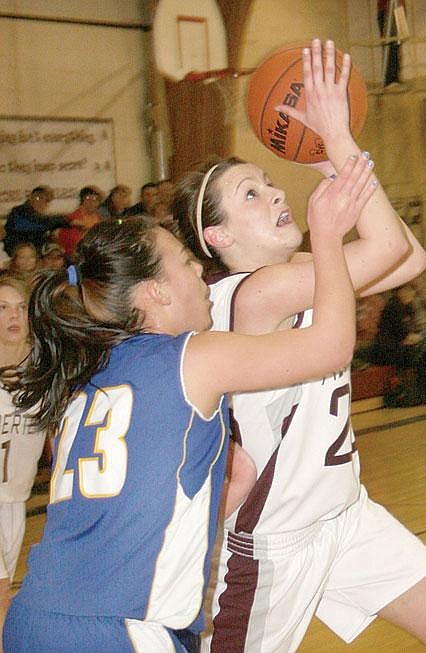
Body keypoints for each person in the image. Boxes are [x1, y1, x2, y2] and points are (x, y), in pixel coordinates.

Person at [3, 155, 377, 653]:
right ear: (156, 292)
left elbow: (219, 476)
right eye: (185, 262)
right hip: (119, 628)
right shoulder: (190, 358)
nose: (199, 268)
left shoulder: (88, 374)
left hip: (34, 618)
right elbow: (330, 346)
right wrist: (326, 237)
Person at [173, 38, 426, 653]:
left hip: (345, 518)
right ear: (217, 235)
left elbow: (411, 255)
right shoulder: (254, 295)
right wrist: (337, 140)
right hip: (272, 543)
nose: (277, 194)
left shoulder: (307, 272)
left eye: (269, 182)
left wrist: (330, 164)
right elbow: (388, 249)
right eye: (250, 194)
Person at [0, 277, 46, 650]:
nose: (12, 315)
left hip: (14, 499)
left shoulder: (42, 367)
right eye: (2, 307)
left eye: (19, 306)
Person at [369, 283, 426, 406]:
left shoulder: (408, 307)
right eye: (409, 291)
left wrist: (416, 338)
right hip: (390, 351)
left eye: (412, 291)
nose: (412, 294)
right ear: (400, 291)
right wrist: (416, 338)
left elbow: (414, 333)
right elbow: (406, 337)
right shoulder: (393, 307)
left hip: (404, 348)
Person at [4, 186, 67, 256]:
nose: (42, 203)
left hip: (35, 254)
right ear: (31, 197)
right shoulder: (19, 212)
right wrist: (68, 221)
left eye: (47, 201)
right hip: (18, 256)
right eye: (39, 198)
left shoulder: (40, 217)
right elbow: (39, 224)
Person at [56, 186, 103, 258]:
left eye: (95, 199)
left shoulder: (99, 217)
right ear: (82, 200)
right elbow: (70, 246)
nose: (91, 202)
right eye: (87, 198)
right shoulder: (72, 219)